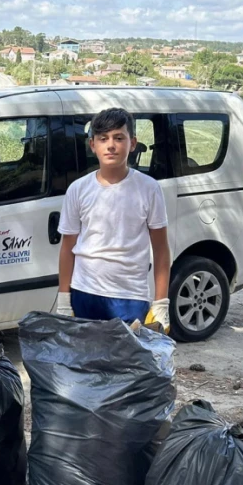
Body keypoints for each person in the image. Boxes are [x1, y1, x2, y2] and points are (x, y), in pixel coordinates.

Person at [55, 107, 172, 328]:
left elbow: (161, 248)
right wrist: (64, 299)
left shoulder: (149, 189)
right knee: (83, 360)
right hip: (84, 293)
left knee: (125, 362)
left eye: (119, 138)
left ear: (133, 143)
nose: (111, 145)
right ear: (93, 145)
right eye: (103, 138)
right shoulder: (78, 189)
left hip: (130, 297)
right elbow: (67, 247)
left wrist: (161, 302)